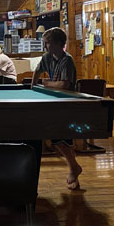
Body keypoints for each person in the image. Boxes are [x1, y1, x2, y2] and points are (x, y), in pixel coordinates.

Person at [31, 27, 82, 190]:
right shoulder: (47, 57)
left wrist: (45, 83)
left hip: (67, 103)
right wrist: (33, 86)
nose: (45, 46)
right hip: (53, 102)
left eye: (48, 43)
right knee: (57, 138)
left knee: (60, 138)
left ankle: (74, 168)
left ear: (59, 43)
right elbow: (37, 71)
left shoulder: (67, 60)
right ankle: (74, 168)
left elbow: (64, 85)